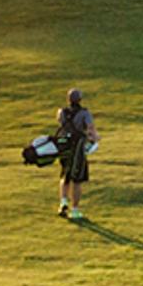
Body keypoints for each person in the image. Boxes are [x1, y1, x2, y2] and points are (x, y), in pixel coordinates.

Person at [54, 86, 96, 220]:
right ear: (80, 99)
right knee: (77, 179)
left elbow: (61, 125)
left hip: (64, 146)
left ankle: (63, 202)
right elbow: (90, 129)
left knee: (65, 175)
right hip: (77, 147)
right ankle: (75, 209)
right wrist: (94, 138)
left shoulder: (61, 112)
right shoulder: (85, 113)